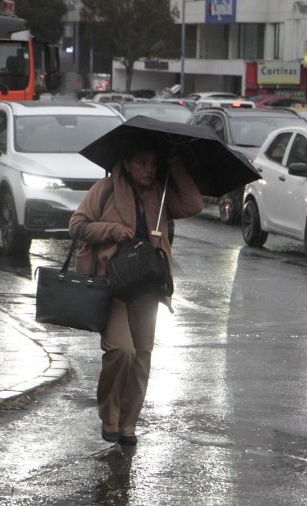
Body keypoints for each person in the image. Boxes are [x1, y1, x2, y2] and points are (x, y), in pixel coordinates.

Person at [69, 135, 203, 445]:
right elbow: (76, 225)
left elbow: (194, 205)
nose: (149, 169)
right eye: (142, 163)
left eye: (153, 164)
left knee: (142, 355)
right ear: (127, 163)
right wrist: (112, 230)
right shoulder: (105, 190)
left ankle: (128, 424)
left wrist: (176, 168)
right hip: (113, 283)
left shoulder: (161, 190)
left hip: (148, 284)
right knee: (121, 350)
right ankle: (109, 415)